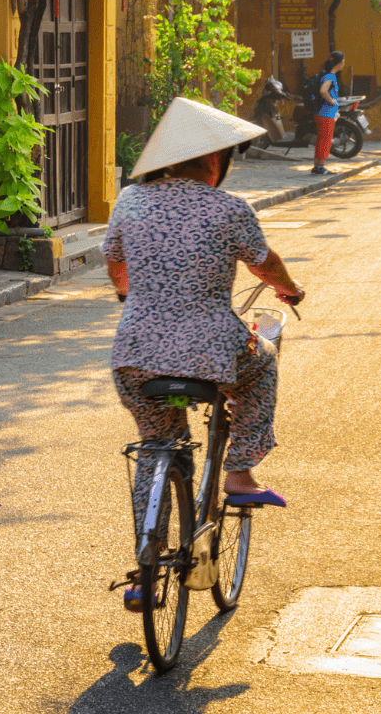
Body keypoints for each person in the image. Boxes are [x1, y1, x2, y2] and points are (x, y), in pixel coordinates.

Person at [104, 98, 305, 613]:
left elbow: (116, 268)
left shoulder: (129, 201)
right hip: (212, 353)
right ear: (216, 161)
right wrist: (291, 290)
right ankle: (239, 472)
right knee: (262, 365)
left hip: (134, 355)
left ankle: (145, 570)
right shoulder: (230, 208)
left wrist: (132, 297)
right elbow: (266, 264)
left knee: (156, 446)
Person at [310, 51, 344, 176]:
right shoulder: (330, 76)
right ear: (339, 64)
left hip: (321, 113)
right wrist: (332, 101)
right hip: (326, 114)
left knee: (321, 140)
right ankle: (320, 167)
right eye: (343, 62)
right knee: (325, 140)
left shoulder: (325, 74)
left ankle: (317, 166)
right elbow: (323, 91)